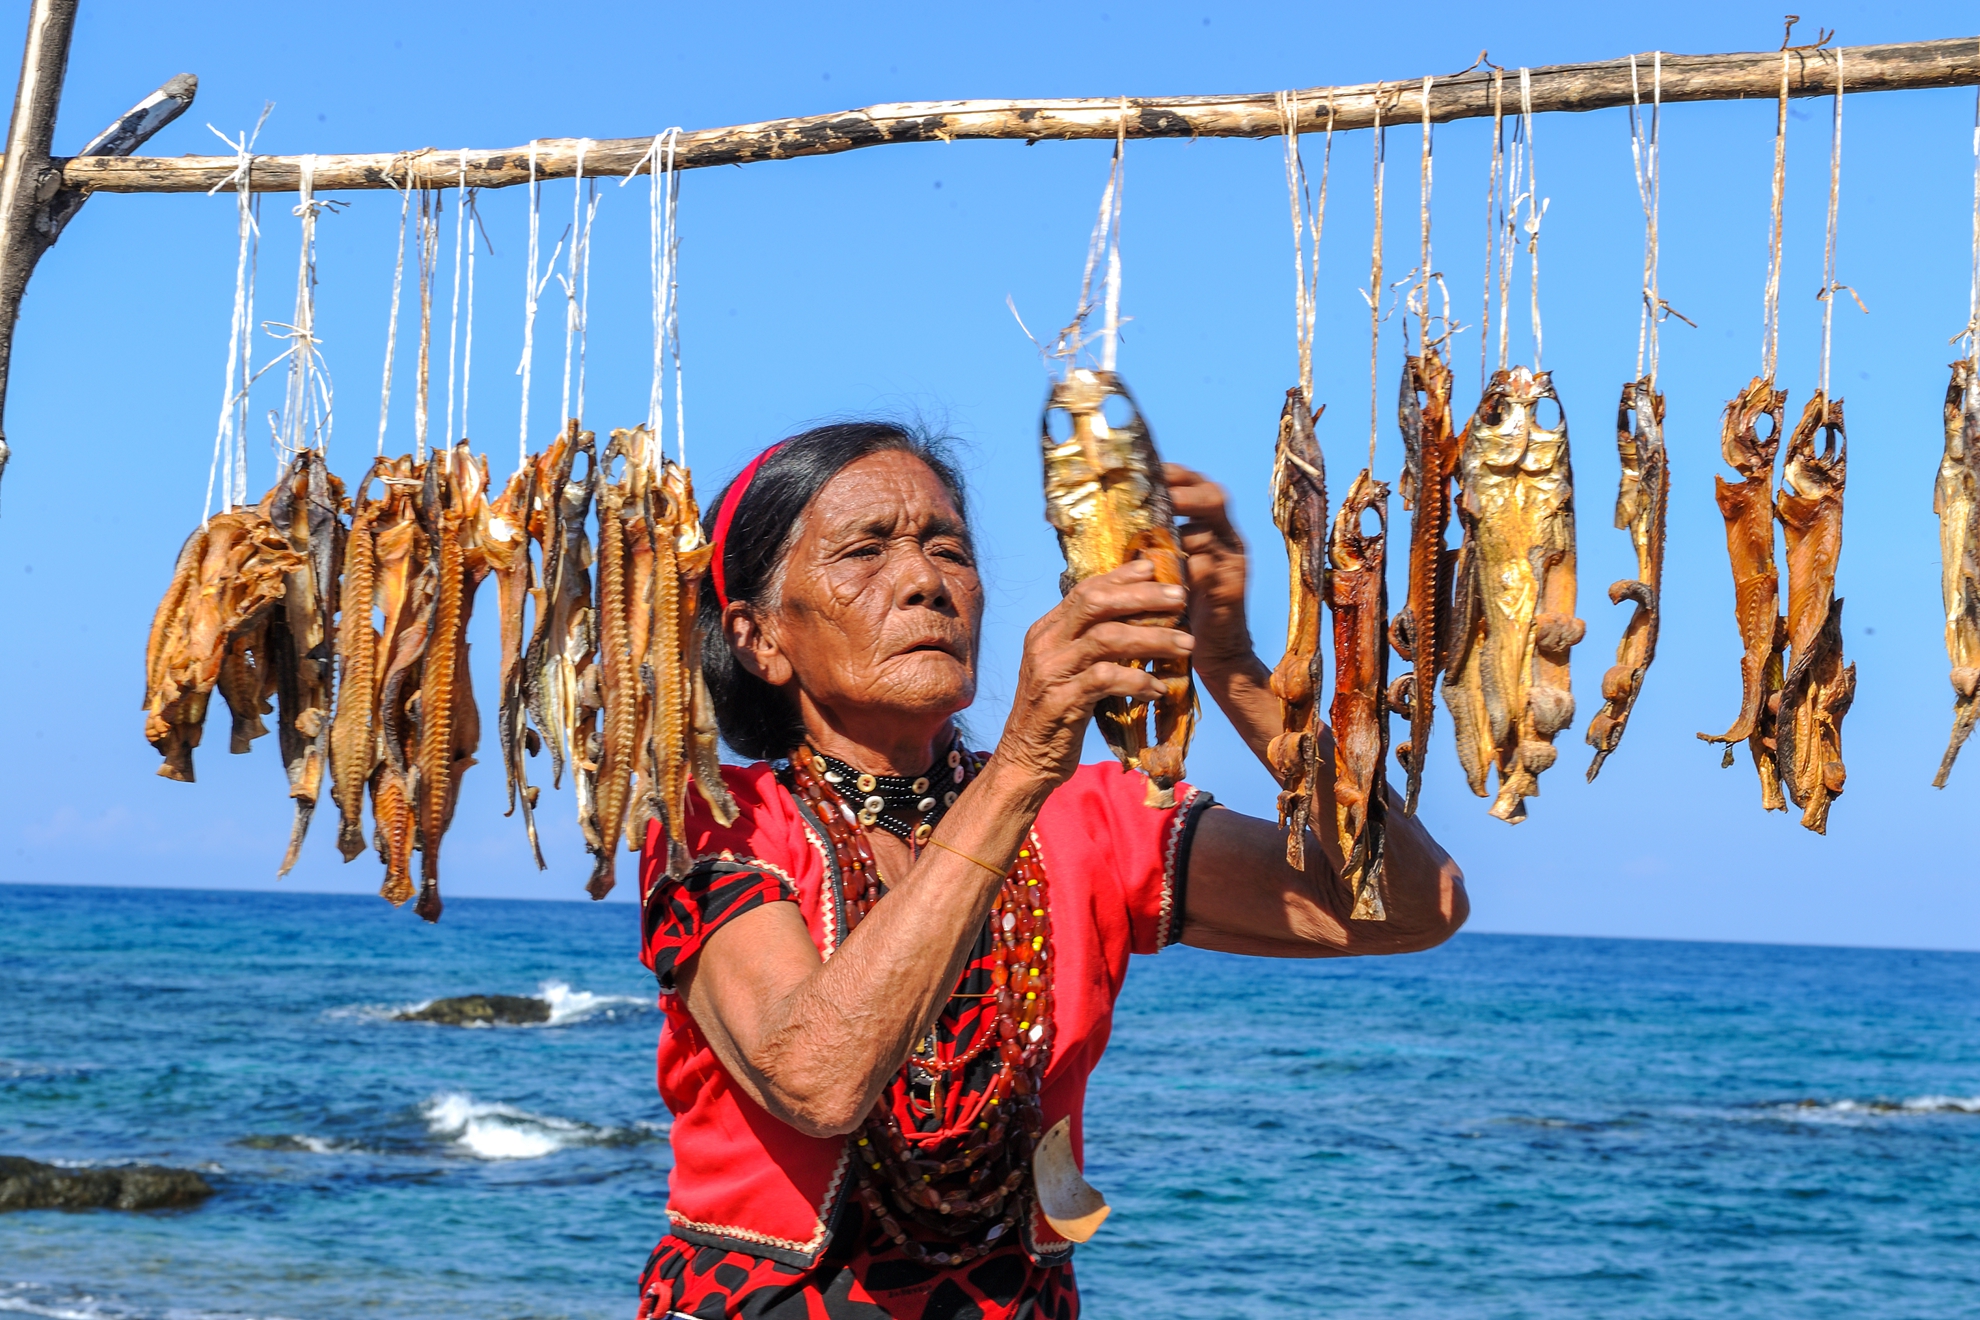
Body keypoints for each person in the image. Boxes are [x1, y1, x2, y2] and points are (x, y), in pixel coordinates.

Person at [636, 422, 1467, 1320]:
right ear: (759, 639)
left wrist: (1228, 662)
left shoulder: (1088, 817)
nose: (925, 582)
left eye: (947, 548)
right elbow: (817, 1080)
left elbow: (1418, 906)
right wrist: (1025, 764)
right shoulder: (714, 819)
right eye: (865, 551)